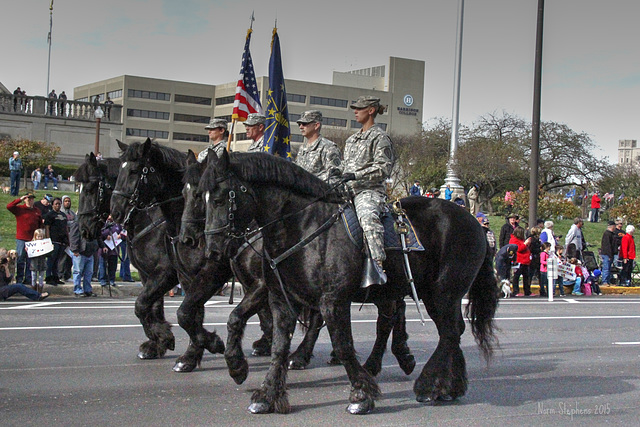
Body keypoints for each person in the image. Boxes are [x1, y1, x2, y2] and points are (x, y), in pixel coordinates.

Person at [341, 96, 394, 285]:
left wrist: (356, 175)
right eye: (354, 108)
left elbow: (384, 168)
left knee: (368, 217)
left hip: (369, 192)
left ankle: (376, 265)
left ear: (371, 110)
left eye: (359, 108)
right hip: (347, 191)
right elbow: (346, 166)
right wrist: (337, 171)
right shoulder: (351, 139)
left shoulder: (380, 137)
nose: (355, 111)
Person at [294, 110, 342, 183]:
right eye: (299, 124)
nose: (301, 127)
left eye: (304, 124)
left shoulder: (328, 147)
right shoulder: (302, 148)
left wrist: (312, 181)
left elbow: (334, 177)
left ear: (316, 125)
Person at [6, 192, 43, 284]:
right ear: (25, 199)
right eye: (28, 198)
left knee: (30, 260)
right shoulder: (20, 209)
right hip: (22, 238)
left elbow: (40, 224)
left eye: (32, 199)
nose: (30, 200)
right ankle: (19, 278)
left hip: (32, 239)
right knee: (20, 259)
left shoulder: (37, 210)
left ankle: (28, 278)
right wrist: (20, 199)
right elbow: (9, 206)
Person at [69, 218, 100, 297]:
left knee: (89, 273)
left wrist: (101, 245)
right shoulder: (76, 223)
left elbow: (97, 236)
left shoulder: (92, 224)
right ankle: (77, 290)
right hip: (80, 252)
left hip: (90, 252)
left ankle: (87, 289)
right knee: (78, 272)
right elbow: (73, 236)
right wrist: (75, 250)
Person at [43, 198, 69, 285]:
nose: (58, 205)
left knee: (57, 260)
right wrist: (48, 240)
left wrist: (67, 239)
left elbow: (66, 228)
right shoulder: (50, 215)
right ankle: (48, 277)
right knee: (51, 260)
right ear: (52, 205)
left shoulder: (63, 215)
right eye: (56, 204)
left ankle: (55, 277)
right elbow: (47, 227)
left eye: (59, 204)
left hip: (62, 241)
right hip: (53, 241)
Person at [99, 216, 123, 287]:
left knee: (113, 265)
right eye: (109, 215)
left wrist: (121, 235)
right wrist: (105, 236)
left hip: (114, 249)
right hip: (105, 248)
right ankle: (103, 280)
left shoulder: (117, 225)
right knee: (103, 265)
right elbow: (99, 234)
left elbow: (124, 232)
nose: (110, 217)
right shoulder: (103, 224)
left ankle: (111, 280)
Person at [509, 226, 532, 296]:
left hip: (525, 260)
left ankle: (527, 291)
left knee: (526, 277)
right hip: (519, 260)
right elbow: (518, 249)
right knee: (516, 276)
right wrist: (525, 244)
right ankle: (516, 291)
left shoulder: (521, 240)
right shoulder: (513, 240)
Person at [58, 195, 76, 281]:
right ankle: (60, 275)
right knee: (62, 258)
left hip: (72, 238)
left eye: (69, 201)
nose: (67, 202)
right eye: (65, 201)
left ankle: (67, 275)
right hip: (63, 238)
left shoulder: (72, 213)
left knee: (70, 258)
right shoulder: (61, 213)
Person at [29, 229, 48, 294]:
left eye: (41, 236)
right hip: (34, 263)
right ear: (35, 236)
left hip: (42, 263)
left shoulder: (45, 244)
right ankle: (33, 291)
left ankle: (40, 291)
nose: (40, 238)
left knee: (41, 277)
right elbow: (30, 254)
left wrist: (50, 248)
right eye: (38, 236)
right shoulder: (32, 244)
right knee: (33, 277)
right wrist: (27, 250)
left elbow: (48, 254)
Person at [600, 221, 617, 286]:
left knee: (609, 268)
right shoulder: (607, 234)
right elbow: (607, 246)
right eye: (614, 226)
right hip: (607, 254)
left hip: (611, 254)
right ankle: (604, 281)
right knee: (606, 268)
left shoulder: (612, 234)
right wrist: (609, 255)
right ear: (612, 226)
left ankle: (608, 281)